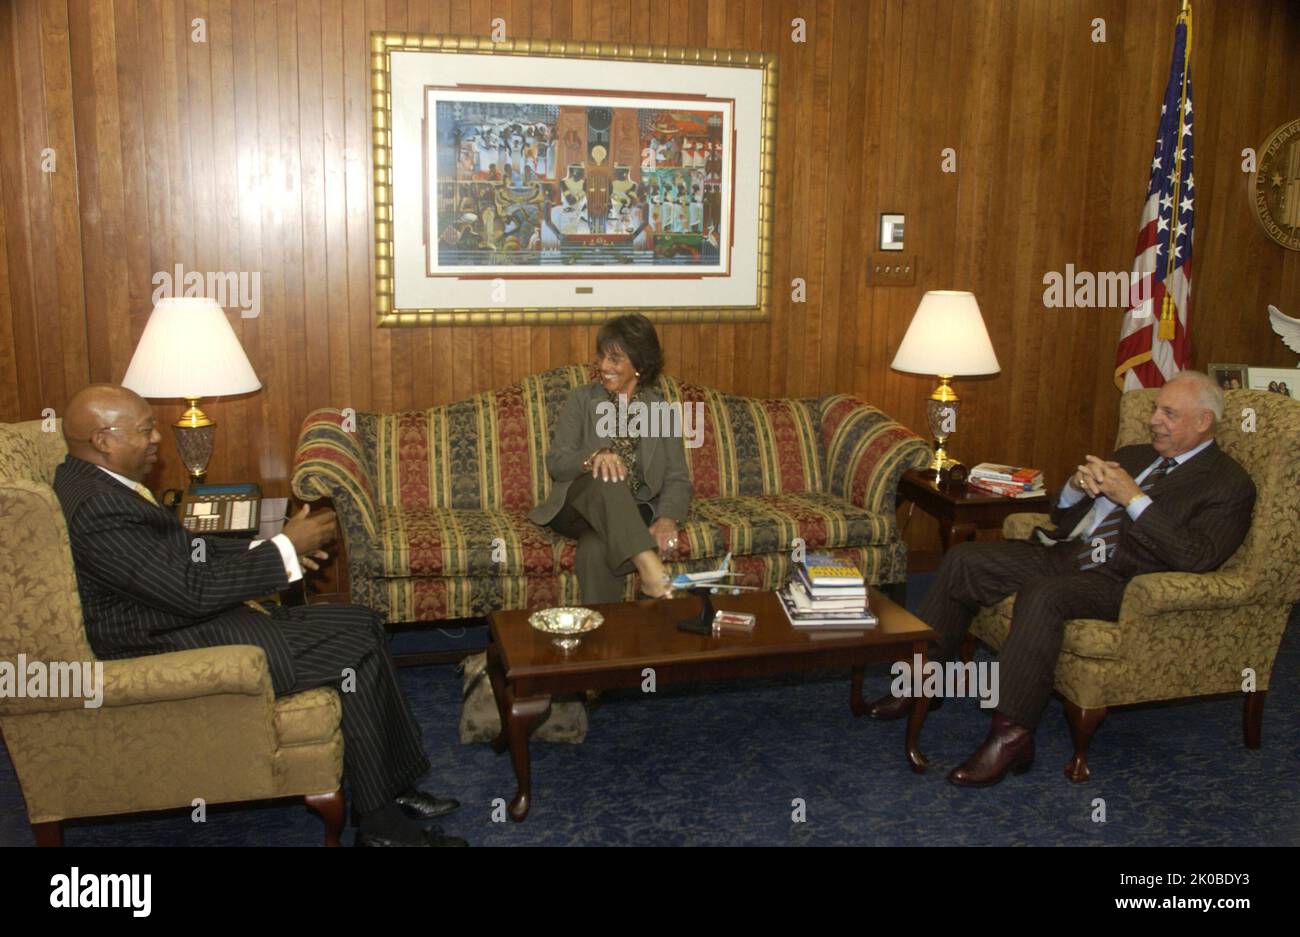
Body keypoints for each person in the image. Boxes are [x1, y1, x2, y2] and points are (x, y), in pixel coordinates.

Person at [53, 385, 466, 847]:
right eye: (146, 429)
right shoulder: (99, 507)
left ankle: (392, 789)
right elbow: (188, 591)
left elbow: (184, 556)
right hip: (166, 640)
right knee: (357, 644)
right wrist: (286, 549)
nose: (156, 439)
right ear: (105, 440)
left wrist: (275, 550)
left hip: (174, 618)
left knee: (363, 621)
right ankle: (383, 827)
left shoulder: (100, 484)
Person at [866, 371, 1256, 786]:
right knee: (965, 559)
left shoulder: (1229, 484)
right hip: (1069, 554)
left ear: (1203, 422)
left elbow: (1198, 556)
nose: (1154, 419)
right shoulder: (1138, 455)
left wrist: (1134, 499)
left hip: (1126, 581)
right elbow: (1062, 519)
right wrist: (1074, 489)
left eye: (1169, 413)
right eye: (1157, 408)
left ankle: (1012, 734)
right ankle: (923, 682)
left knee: (1044, 595)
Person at [529, 314, 692, 603]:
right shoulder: (582, 400)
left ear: (639, 365)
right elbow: (556, 461)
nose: (604, 366)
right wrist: (593, 458)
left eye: (615, 359)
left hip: (632, 511)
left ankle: (607, 641)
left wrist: (668, 517)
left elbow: (677, 476)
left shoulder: (660, 410)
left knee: (595, 550)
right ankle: (652, 571)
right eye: (602, 357)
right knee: (607, 474)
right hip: (577, 506)